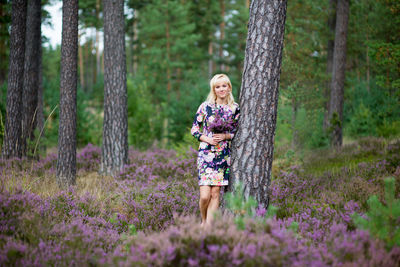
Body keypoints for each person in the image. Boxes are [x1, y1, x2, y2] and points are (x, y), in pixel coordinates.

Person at [191, 73, 240, 228]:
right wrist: (207, 139)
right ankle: (203, 220)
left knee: (215, 193)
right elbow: (194, 129)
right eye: (217, 87)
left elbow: (238, 133)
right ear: (213, 89)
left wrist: (226, 136)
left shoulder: (234, 108)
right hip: (206, 155)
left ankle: (207, 228)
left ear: (229, 87)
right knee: (205, 196)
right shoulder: (205, 107)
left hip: (222, 154)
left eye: (224, 86)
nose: (221, 89)